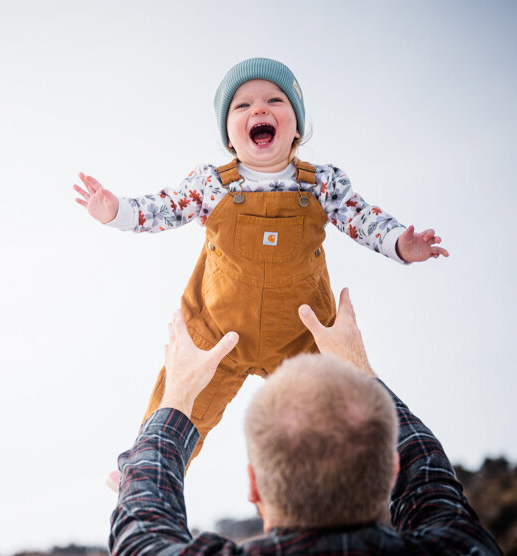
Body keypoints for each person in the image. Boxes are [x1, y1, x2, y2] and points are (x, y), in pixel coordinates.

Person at [74, 58, 449, 478]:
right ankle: (144, 471)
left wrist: (401, 243)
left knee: (329, 416)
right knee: (183, 401)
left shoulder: (321, 183)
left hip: (299, 334)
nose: (259, 110)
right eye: (242, 105)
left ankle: (355, 480)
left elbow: (363, 219)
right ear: (230, 136)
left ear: (297, 127)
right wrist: (117, 211)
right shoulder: (212, 183)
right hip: (218, 330)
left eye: (275, 99)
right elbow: (162, 209)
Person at [108, 288, 511, 556]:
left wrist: (176, 396)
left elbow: (144, 518)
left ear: (254, 486)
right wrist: (360, 371)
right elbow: (430, 476)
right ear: (391, 471)